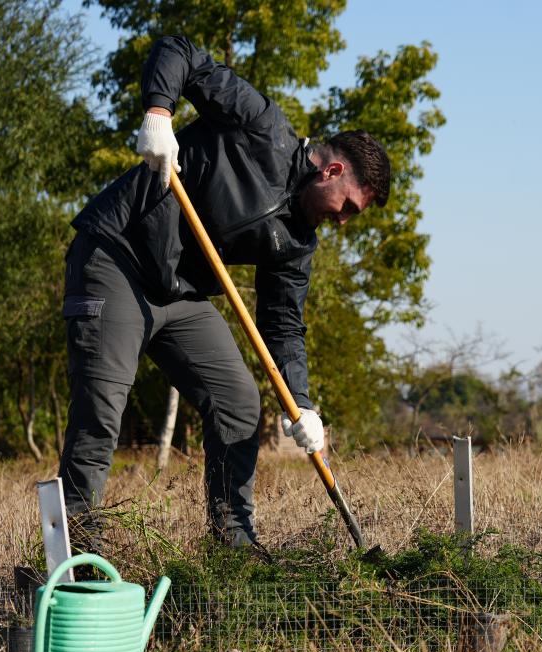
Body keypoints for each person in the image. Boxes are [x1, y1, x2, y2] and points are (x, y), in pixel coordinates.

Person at [58, 35, 391, 554]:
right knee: (103, 406)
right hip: (115, 259)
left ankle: (233, 542)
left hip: (179, 294)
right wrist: (159, 114)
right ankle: (76, 555)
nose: (343, 222)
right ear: (332, 171)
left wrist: (301, 406)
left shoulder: (299, 241)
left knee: (238, 401)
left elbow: (282, 324)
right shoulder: (262, 127)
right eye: (347, 207)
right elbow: (179, 51)